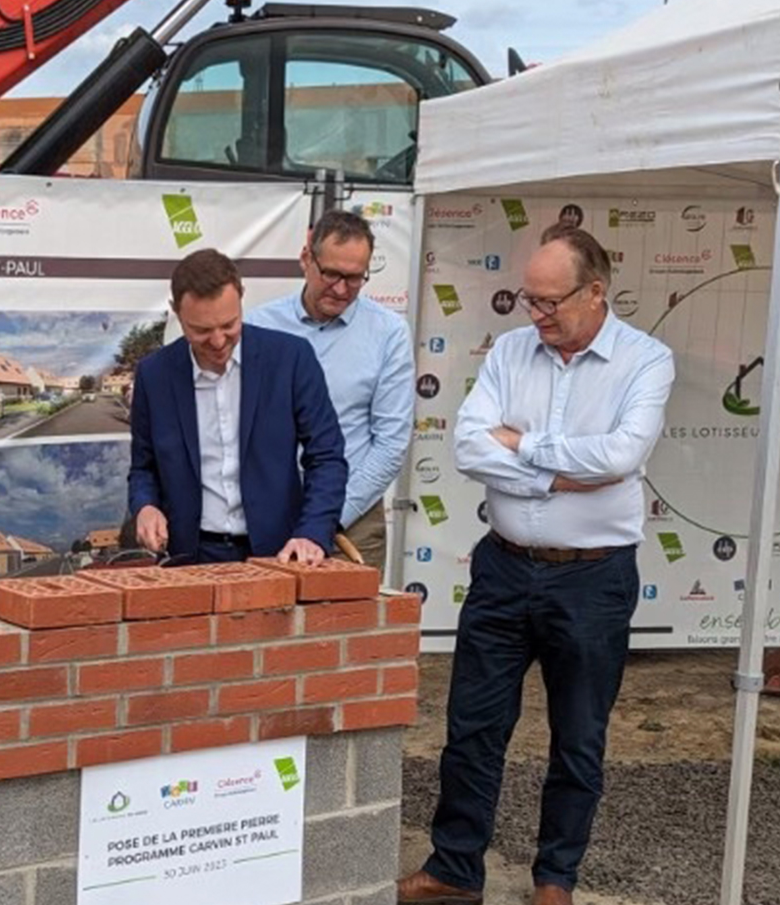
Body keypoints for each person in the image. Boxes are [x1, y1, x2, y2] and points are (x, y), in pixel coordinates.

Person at [398, 226, 674, 905]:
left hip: (593, 578)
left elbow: (619, 456)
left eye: (552, 302)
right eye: (531, 300)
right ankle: (456, 866)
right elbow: (468, 445)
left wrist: (523, 445)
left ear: (596, 291)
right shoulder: (512, 351)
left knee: (578, 736)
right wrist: (552, 474)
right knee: (471, 726)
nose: (539, 315)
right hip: (503, 566)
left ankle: (556, 877)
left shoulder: (646, 360)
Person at [129, 248, 347, 564]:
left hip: (281, 552)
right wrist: (145, 506)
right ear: (176, 312)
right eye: (201, 330)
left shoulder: (290, 359)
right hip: (191, 555)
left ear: (242, 299)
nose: (218, 341)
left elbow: (327, 456)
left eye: (229, 325)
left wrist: (311, 533)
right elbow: (143, 467)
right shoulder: (155, 375)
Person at [244, 209, 414, 571]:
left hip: (350, 522)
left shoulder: (388, 333)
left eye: (354, 278)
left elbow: (391, 441)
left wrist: (328, 519)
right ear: (307, 259)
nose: (340, 289)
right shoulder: (259, 327)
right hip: (266, 514)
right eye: (331, 274)